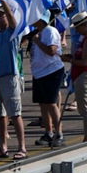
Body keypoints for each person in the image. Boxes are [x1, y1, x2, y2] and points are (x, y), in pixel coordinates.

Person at [0, 4, 26, 159]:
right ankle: (3, 147)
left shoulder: (13, 33)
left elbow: (13, 21)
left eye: (1, 14)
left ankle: (22, 147)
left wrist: (4, 3)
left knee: (15, 114)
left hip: (10, 77)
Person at [29, 8, 65, 147]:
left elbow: (51, 51)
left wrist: (37, 42)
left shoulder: (50, 31)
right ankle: (48, 132)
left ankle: (59, 132)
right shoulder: (38, 32)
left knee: (51, 103)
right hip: (39, 72)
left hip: (51, 71)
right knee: (42, 103)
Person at [65, 11, 87, 142]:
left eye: (78, 27)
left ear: (84, 25)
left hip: (86, 76)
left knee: (84, 108)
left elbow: (85, 62)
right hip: (83, 76)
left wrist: (70, 60)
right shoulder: (86, 39)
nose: (78, 30)